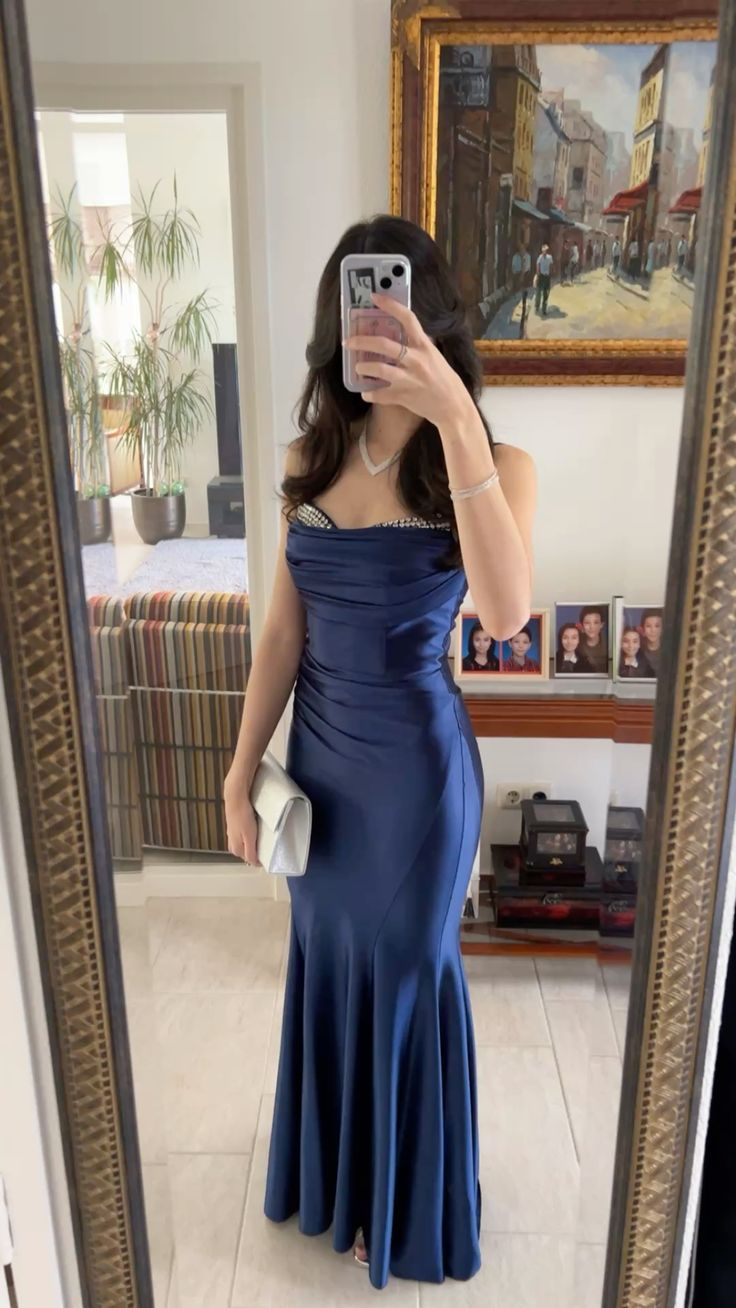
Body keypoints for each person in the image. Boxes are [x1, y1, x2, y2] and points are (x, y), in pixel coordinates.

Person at [223, 213, 536, 1289]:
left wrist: (453, 417)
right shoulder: (310, 462)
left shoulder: (495, 464)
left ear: (431, 319)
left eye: (395, 310)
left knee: (405, 969)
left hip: (418, 780)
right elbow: (282, 635)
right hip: (321, 771)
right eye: (357, 313)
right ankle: (343, 1181)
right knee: (330, 960)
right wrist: (239, 771)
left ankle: (400, 1199)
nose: (375, 332)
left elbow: (505, 615)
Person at [578, 605, 609, 675]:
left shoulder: (608, 646)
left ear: (601, 625)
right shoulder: (577, 646)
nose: (592, 627)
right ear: (582, 625)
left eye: (596, 622)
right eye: (587, 623)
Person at [639, 608, 663, 677]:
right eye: (648, 626)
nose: (653, 630)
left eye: (657, 626)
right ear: (643, 629)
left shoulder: (669, 652)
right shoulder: (638, 651)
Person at [534, 243, 553, 314]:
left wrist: (550, 274)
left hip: (547, 277)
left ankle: (544, 309)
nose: (545, 251)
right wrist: (538, 275)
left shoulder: (550, 257)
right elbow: (537, 266)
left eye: (546, 250)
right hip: (541, 276)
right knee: (538, 292)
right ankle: (537, 306)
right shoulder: (540, 257)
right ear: (542, 251)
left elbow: (551, 266)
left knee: (546, 293)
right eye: (544, 250)